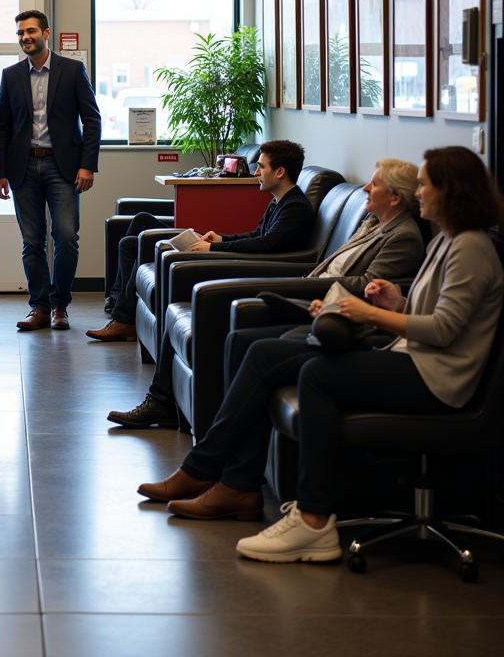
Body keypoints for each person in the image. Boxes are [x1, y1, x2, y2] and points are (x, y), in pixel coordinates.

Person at [135, 146, 503, 565]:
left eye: (425, 184)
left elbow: (443, 330)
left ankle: (311, 520)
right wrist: (396, 302)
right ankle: (231, 482)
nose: (420, 192)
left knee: (317, 375)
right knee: (259, 352)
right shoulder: (449, 240)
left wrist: (368, 314)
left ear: (449, 191)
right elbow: (432, 314)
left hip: (436, 378)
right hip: (412, 357)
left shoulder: (470, 248)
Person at [106, 154, 420, 426]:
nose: (366, 187)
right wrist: (223, 242)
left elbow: (370, 288)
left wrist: (304, 284)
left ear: (394, 197)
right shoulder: (371, 222)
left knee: (232, 327)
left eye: (374, 184)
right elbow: (263, 237)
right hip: (307, 286)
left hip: (323, 300)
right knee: (205, 314)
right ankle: (167, 403)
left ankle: (182, 412)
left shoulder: (402, 236)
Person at [91, 140, 314, 343]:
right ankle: (120, 308)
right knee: (135, 233)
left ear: (280, 172)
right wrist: (221, 237)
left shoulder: (295, 208)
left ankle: (123, 317)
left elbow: (267, 245)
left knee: (136, 240)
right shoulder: (279, 201)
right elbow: (257, 235)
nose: (256, 172)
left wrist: (214, 247)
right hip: (243, 255)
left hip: (254, 267)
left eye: (262, 167)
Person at [0, 9, 101, 332]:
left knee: (67, 237)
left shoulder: (72, 71)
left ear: (46, 32)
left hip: (63, 167)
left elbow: (92, 119)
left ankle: (60, 305)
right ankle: (39, 307)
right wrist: (1, 172)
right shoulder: (11, 75)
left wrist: (87, 164)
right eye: (20, 33)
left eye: (30, 31)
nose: (24, 37)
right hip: (23, 168)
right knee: (32, 241)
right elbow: (2, 128)